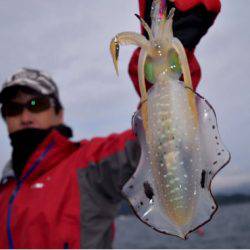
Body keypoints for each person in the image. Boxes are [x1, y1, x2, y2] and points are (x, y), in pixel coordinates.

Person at [0, 0, 221, 248]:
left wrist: (162, 65)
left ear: (59, 113)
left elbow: (152, 142)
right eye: (12, 108)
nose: (25, 116)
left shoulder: (89, 166)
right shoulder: (2, 192)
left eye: (35, 105)